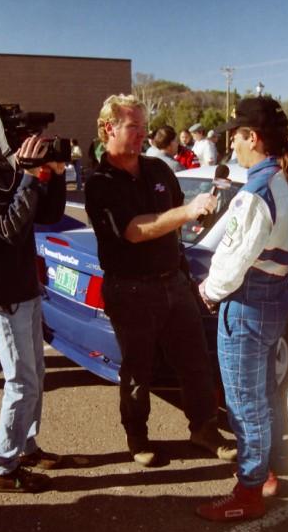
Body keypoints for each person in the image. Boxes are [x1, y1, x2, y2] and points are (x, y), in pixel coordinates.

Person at [85, 94, 232, 467]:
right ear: (109, 129)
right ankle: (138, 439)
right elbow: (134, 231)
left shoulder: (159, 170)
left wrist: (200, 219)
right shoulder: (100, 183)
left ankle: (204, 428)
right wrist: (187, 211)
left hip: (174, 282)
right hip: (130, 289)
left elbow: (178, 224)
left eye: (144, 128)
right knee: (138, 370)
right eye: (134, 127)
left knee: (195, 362)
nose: (141, 136)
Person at [196, 97, 288, 521]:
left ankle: (249, 490)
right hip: (276, 296)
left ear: (253, 137)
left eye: (237, 135)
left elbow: (229, 263)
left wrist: (208, 290)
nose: (233, 144)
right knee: (262, 396)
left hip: (246, 303)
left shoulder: (256, 191)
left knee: (244, 401)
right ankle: (261, 474)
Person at [0, 133, 66, 493]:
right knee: (21, 384)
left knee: (35, 374)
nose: (34, 150)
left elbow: (50, 215)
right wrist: (28, 178)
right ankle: (3, 467)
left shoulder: (17, 179)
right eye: (29, 145)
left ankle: (27, 447)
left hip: (26, 291)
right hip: (3, 297)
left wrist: (53, 174)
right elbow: (8, 227)